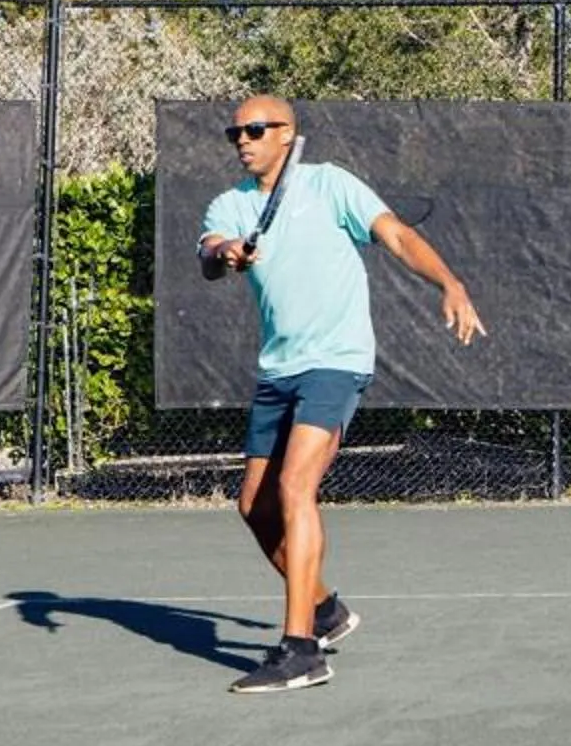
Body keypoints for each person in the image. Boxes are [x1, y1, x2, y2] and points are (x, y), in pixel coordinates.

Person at [199, 96, 483, 693]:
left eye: (254, 130)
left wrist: (450, 283)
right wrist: (227, 252)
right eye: (235, 133)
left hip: (336, 361)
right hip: (277, 369)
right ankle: (326, 610)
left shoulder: (331, 186)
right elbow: (210, 251)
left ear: (287, 134)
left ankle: (301, 648)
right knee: (254, 505)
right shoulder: (232, 203)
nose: (243, 141)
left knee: (295, 486)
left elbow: (399, 238)